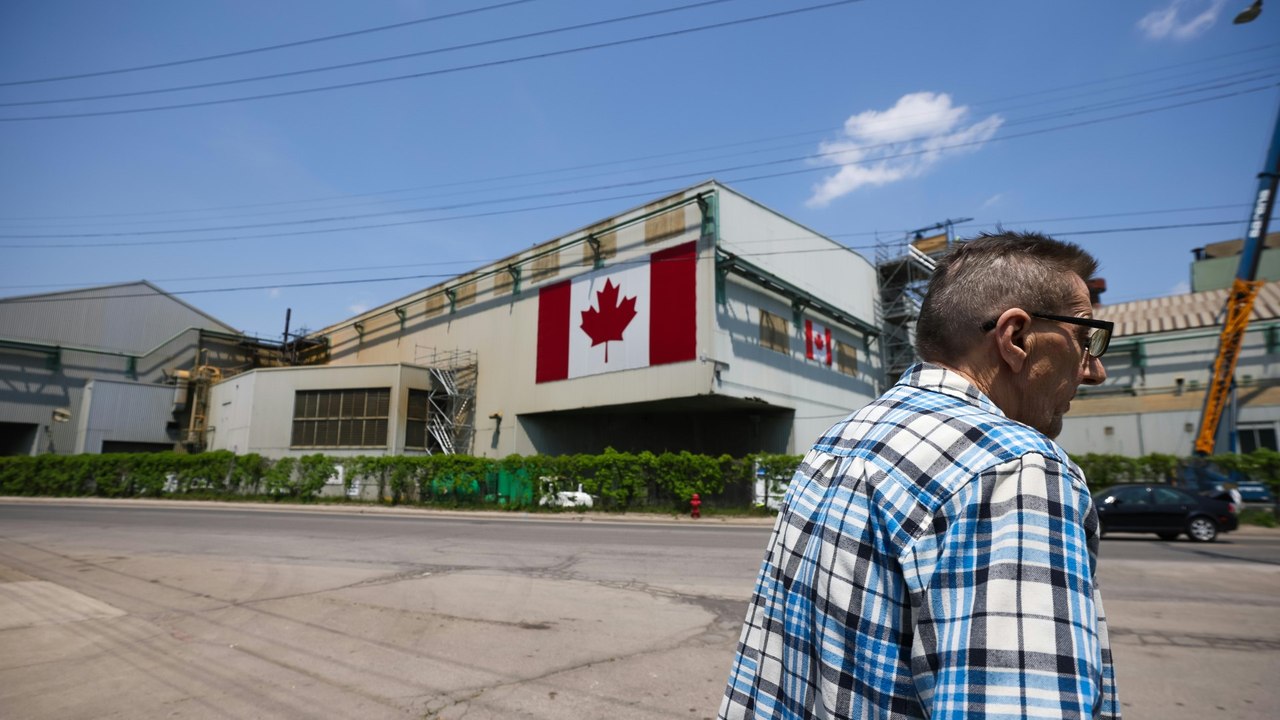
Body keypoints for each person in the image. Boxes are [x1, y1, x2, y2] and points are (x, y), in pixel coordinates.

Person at [718, 232, 1121, 719]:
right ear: (1016, 338)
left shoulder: (841, 439)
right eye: (1085, 338)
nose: (1094, 370)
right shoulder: (1015, 471)